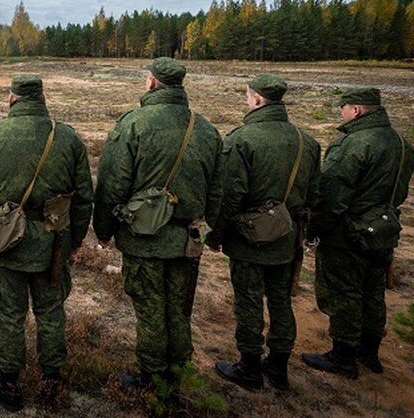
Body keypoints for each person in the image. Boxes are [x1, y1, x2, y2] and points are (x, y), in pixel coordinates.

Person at [0, 74, 94, 411]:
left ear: (11, 98)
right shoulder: (67, 139)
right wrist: (76, 240)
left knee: (7, 313)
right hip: (53, 244)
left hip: (5, 242)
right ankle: (52, 380)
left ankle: (8, 383)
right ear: (43, 96)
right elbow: (84, 198)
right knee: (50, 312)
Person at [93, 57, 222, 389]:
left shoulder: (133, 124)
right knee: (179, 308)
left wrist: (104, 229)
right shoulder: (206, 129)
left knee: (151, 307)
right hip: (187, 239)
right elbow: (218, 189)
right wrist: (214, 232)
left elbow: (112, 184)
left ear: (151, 83)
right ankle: (179, 373)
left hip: (144, 238)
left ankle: (152, 379)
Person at [206, 74, 321, 391]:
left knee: (248, 300)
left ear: (256, 99)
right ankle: (279, 368)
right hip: (287, 238)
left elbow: (230, 197)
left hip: (249, 239)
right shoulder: (306, 142)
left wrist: (216, 235)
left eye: (248, 96)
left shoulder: (241, 140)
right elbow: (315, 195)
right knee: (282, 301)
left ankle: (250, 368)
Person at [302, 87, 413, 378]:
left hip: (348, 232)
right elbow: (399, 191)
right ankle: (370, 353)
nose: (342, 112)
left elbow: (333, 195)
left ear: (357, 110)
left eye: (345, 107)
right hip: (384, 228)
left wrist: (315, 228)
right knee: (373, 290)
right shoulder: (401, 143)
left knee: (344, 291)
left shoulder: (353, 144)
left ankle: (343, 355)